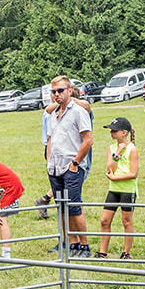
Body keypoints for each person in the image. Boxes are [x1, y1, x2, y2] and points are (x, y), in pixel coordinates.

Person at [44, 75, 94, 258]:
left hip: (72, 166)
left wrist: (75, 162)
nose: (57, 94)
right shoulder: (53, 115)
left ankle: (84, 246)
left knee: (74, 207)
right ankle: (69, 243)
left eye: (60, 90)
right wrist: (49, 161)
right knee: (62, 207)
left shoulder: (78, 111)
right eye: (54, 91)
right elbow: (50, 139)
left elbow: (88, 140)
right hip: (55, 167)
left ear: (70, 91)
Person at [97, 116, 138, 259]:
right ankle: (103, 252)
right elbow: (110, 168)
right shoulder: (111, 148)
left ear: (124, 132)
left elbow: (133, 173)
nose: (111, 133)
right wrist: (117, 153)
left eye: (114, 130)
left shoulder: (132, 149)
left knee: (126, 221)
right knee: (104, 220)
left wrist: (116, 177)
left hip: (127, 190)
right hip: (113, 189)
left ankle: (126, 252)